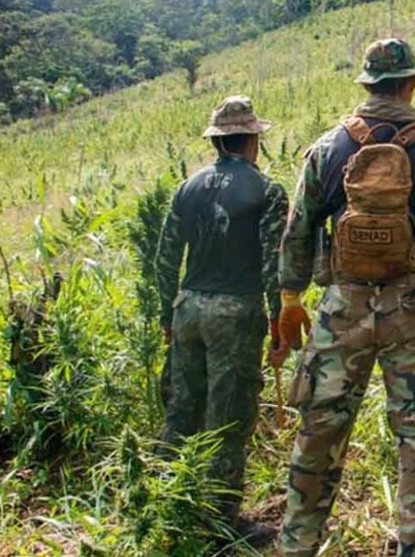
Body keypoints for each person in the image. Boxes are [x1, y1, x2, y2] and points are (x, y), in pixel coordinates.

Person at [276, 38, 415, 557]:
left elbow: (299, 228)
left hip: (341, 308)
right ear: (411, 83)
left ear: (367, 84)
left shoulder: (328, 149)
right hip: (413, 311)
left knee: (320, 431)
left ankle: (297, 542)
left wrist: (290, 298)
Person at [155, 95, 288, 544]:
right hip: (236, 311)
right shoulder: (267, 190)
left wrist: (165, 313)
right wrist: (278, 323)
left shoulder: (188, 187)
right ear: (252, 140)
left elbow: (165, 256)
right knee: (228, 418)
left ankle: (167, 503)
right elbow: (274, 263)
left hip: (189, 306)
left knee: (181, 410)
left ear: (217, 141)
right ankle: (221, 524)